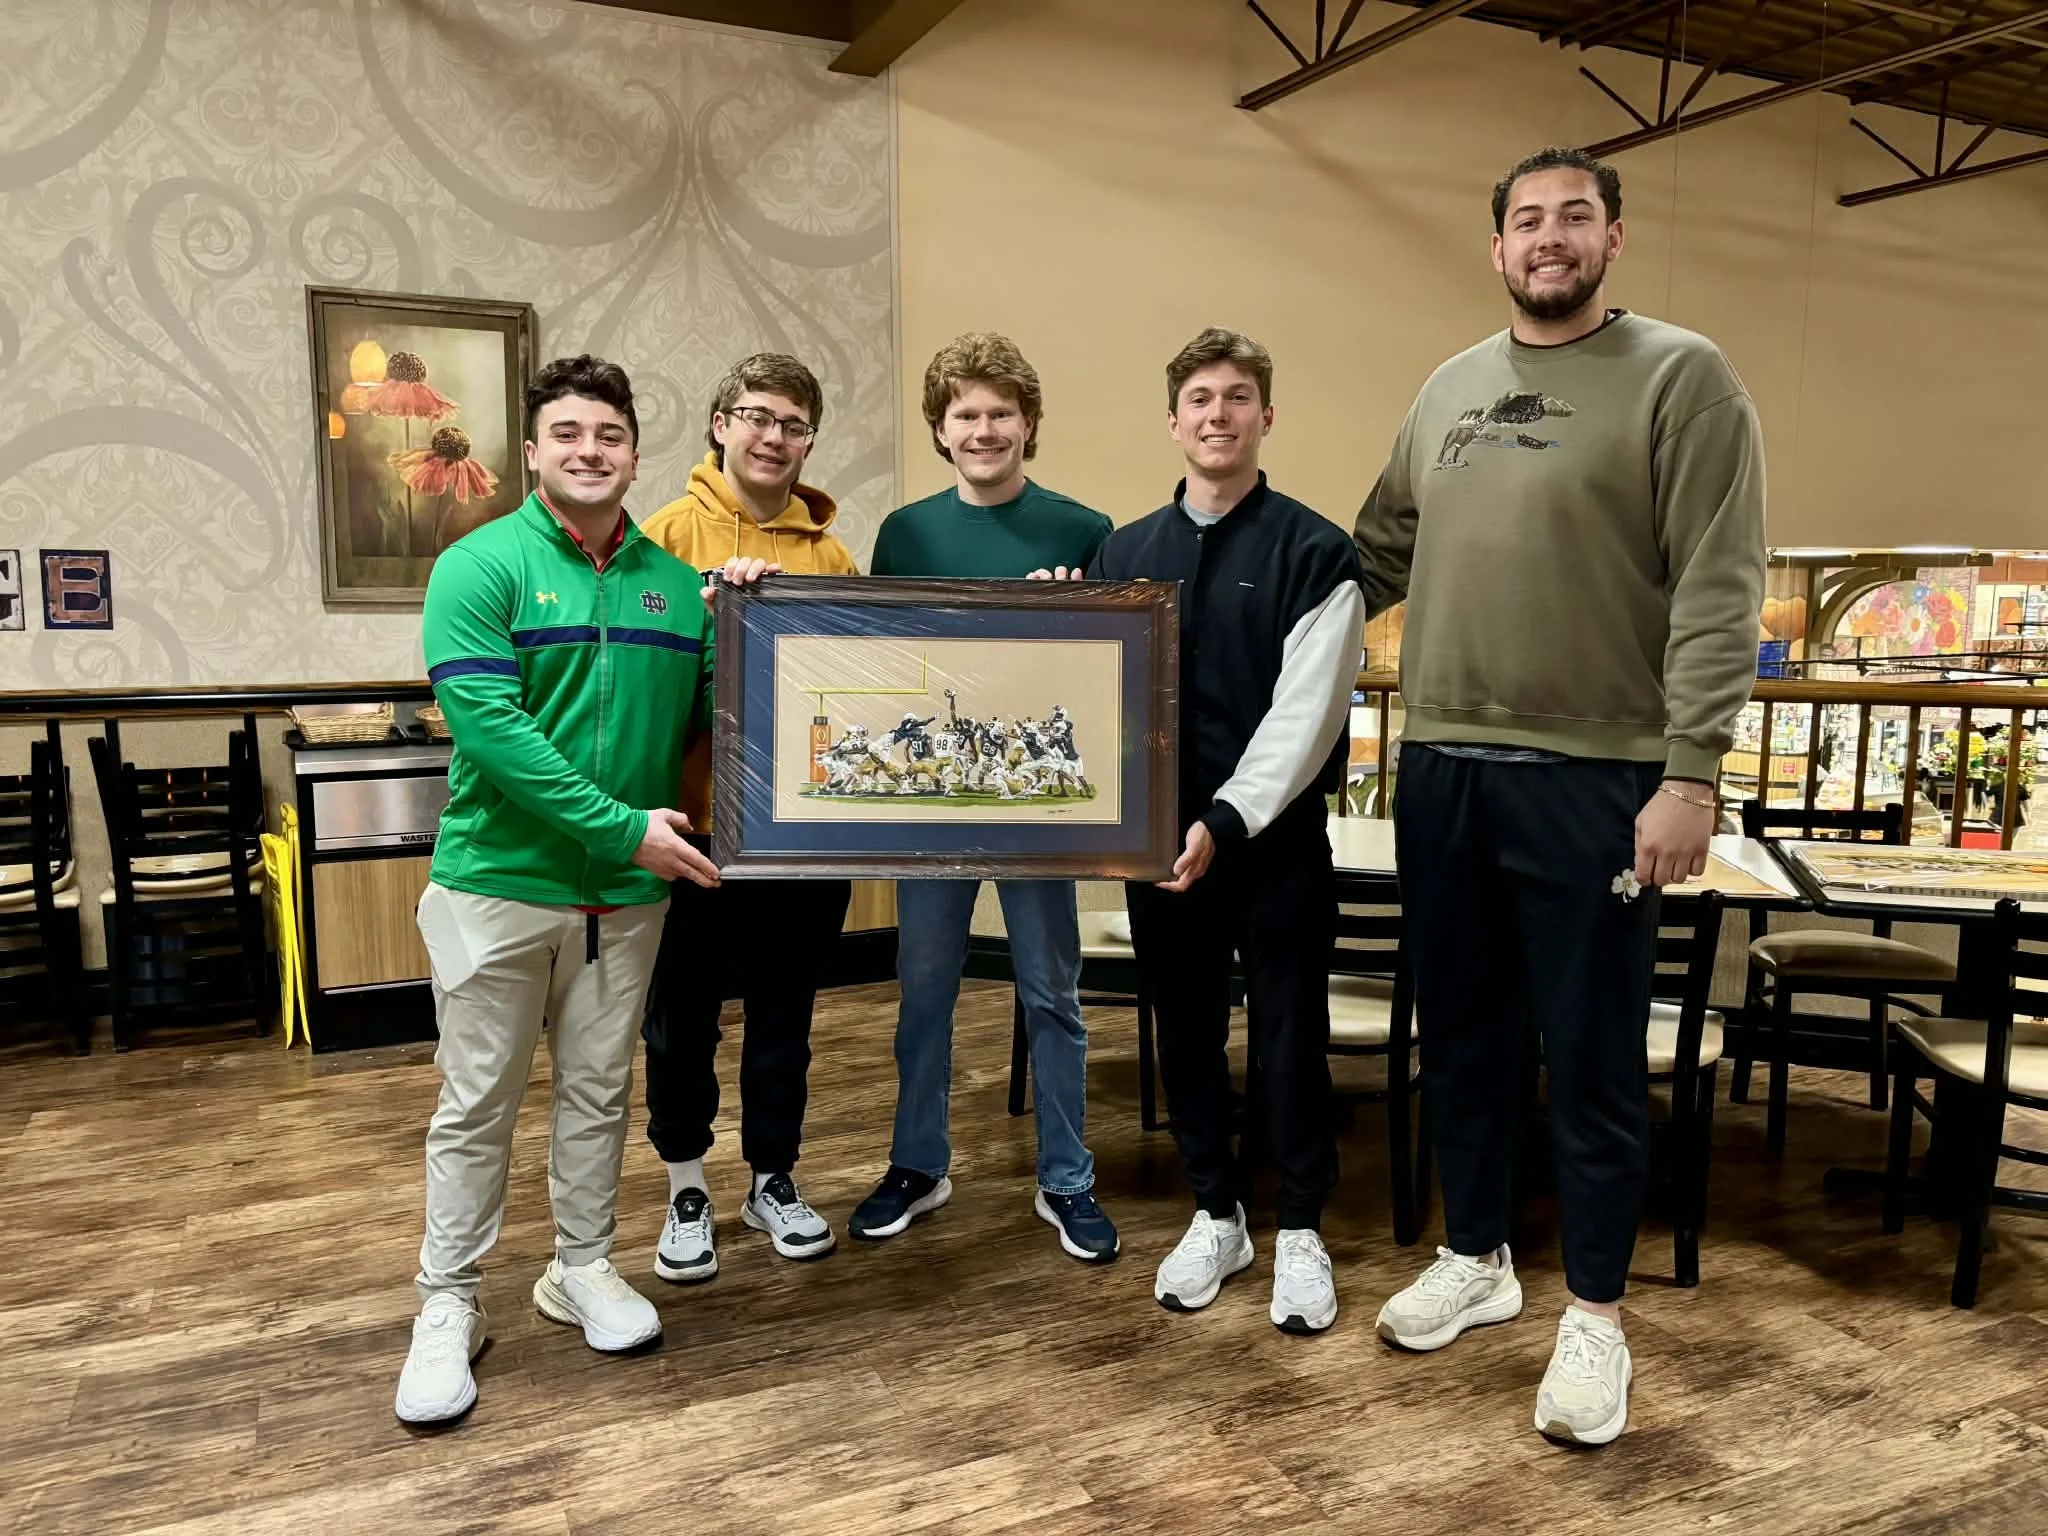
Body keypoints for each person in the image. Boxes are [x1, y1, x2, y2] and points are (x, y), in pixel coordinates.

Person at [1352, 147, 1766, 1445]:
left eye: (1573, 217)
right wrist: (1204, 618)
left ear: (1613, 239)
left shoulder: (1684, 379)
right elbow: (1370, 554)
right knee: (1463, 1039)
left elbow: (1716, 583)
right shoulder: (1448, 389)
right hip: (1445, 766)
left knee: (1588, 1061)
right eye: (1526, 219)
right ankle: (1477, 1259)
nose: (1549, 237)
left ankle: (1594, 1319)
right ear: (1496, 249)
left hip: (1598, 779)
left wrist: (1690, 772)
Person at [394, 355, 722, 1426]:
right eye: (568, 433)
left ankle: (578, 1265)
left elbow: (741, 714)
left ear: (635, 453)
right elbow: (495, 733)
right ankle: (448, 1302)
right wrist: (624, 829)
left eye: (610, 435)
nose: (590, 450)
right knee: (476, 1103)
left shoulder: (678, 588)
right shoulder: (477, 567)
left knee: (597, 1092)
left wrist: (758, 611)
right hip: (499, 884)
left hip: (625, 900)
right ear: (531, 451)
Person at [1091, 328, 1365, 1334]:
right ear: (1173, 422)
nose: (1217, 414)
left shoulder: (1314, 550)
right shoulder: (1123, 554)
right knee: (1188, 1031)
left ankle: (1298, 1225)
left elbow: (1308, 712)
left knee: (1290, 1034)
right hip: (1156, 849)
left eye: (1237, 397)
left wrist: (1224, 817)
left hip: (1273, 844)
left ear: (1264, 416)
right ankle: (1217, 1210)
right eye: (1199, 398)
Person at [847, 331, 1121, 1262]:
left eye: (1001, 412)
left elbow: (1106, 681)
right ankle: (919, 1164)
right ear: (940, 428)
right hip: (931, 804)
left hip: (1039, 803)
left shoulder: (1084, 530)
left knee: (1053, 995)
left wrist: (1073, 609)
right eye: (966, 413)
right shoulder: (905, 533)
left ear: (1029, 423)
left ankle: (1067, 1177)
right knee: (924, 991)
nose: (985, 427)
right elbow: (882, 670)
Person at [635, 355, 859, 1284]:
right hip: (690, 831)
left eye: (794, 423)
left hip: (804, 840)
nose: (774, 437)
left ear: (809, 441)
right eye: (756, 416)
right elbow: (638, 692)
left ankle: (774, 1177)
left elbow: (858, 694)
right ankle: (686, 1184)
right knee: (680, 1020)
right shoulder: (661, 539)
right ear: (720, 424)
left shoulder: (835, 554)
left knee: (785, 1019)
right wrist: (702, 619)